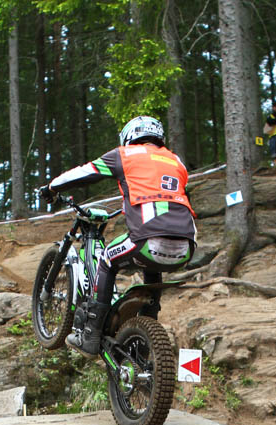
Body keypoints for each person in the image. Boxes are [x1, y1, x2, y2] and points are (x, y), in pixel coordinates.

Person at [40, 115, 197, 356]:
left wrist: (52, 187)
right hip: (187, 247)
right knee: (150, 266)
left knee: (106, 258)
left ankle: (91, 335)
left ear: (129, 136)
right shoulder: (176, 161)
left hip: (147, 240)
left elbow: (85, 172)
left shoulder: (125, 154)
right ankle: (147, 328)